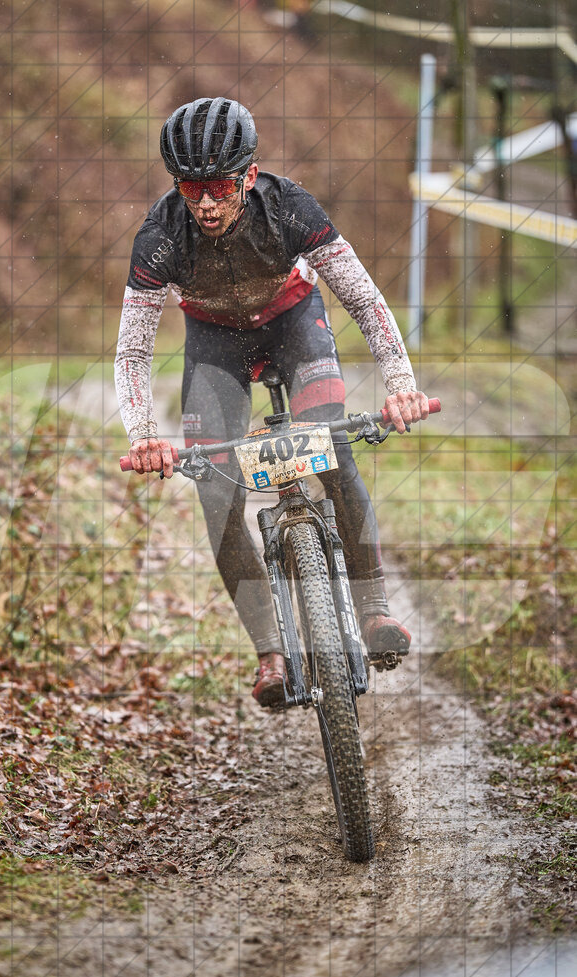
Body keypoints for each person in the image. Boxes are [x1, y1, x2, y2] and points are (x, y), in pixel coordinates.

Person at [115, 97, 429, 709]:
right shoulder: (159, 237)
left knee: (332, 449)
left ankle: (373, 612)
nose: (205, 204)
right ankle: (271, 652)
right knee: (216, 495)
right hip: (214, 344)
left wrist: (401, 384)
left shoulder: (290, 208)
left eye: (218, 187)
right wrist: (143, 433)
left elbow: (364, 300)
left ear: (249, 175)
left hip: (293, 324)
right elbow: (132, 351)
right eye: (190, 189)